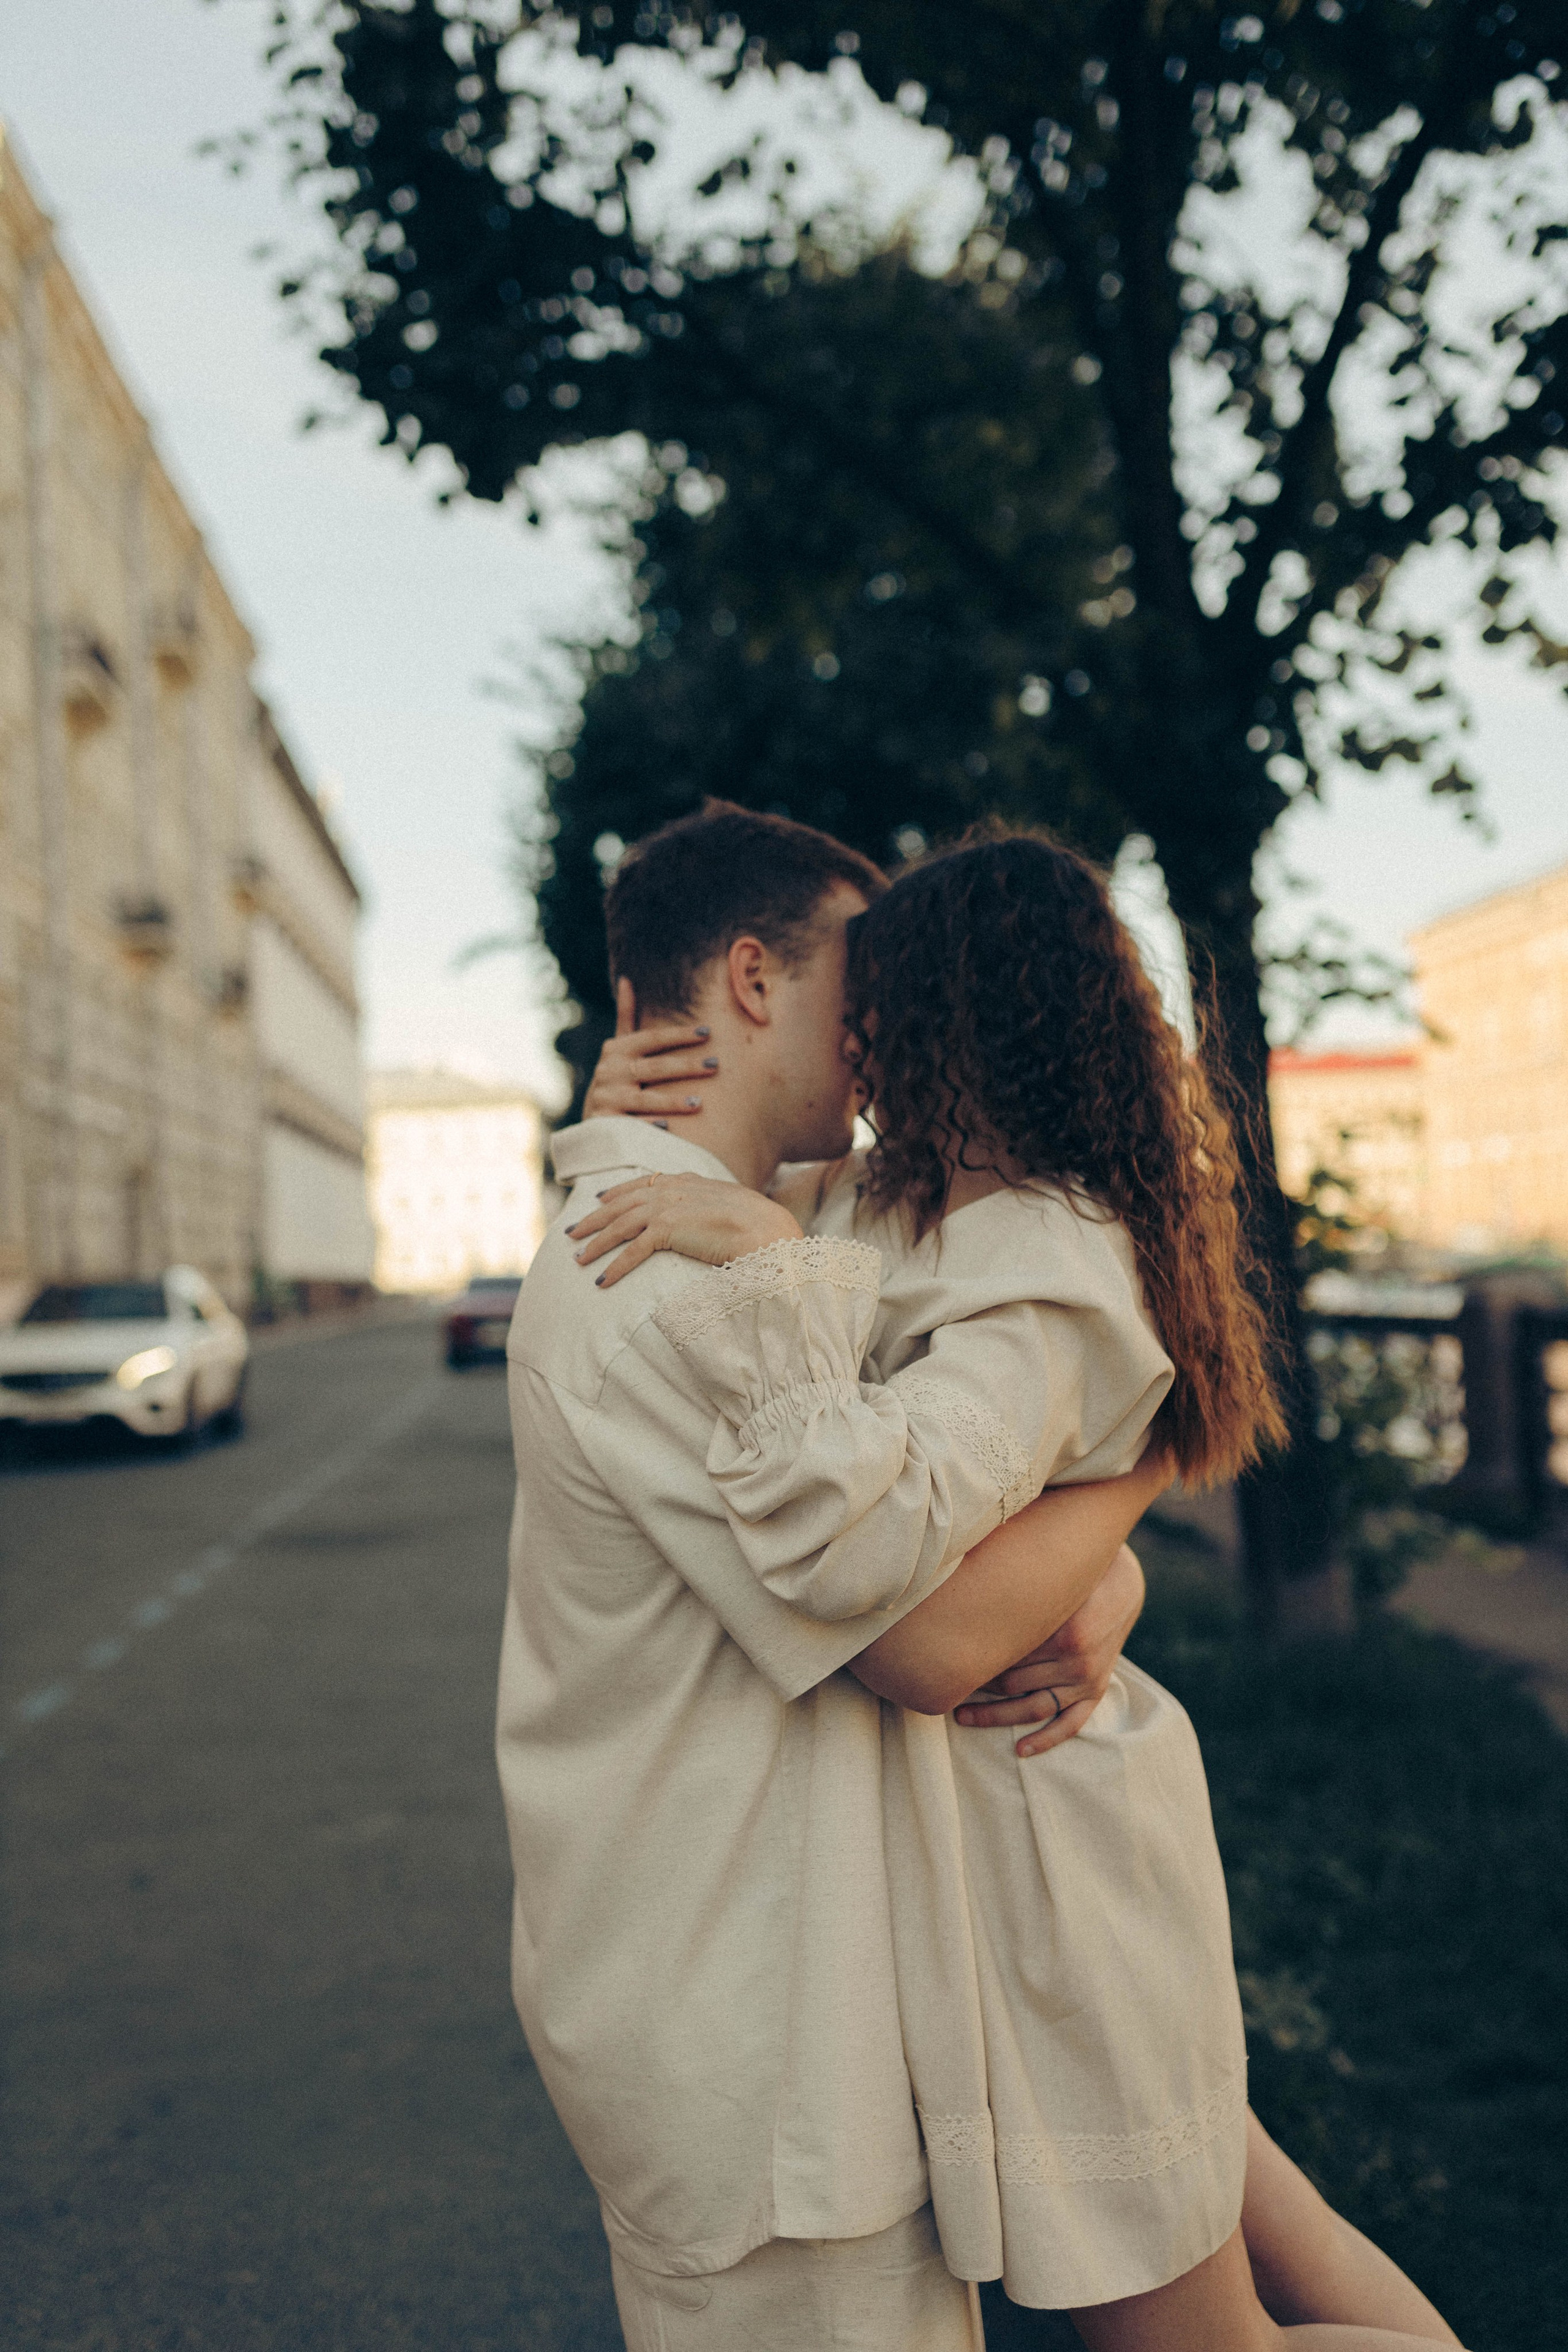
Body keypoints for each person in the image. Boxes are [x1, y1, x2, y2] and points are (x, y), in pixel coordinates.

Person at [570, 818, 1464, 2351]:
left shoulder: (1046, 1254)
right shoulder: (900, 1203)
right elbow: (777, 1204)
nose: (842, 1042)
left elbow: (888, 1583)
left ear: (946, 1023)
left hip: (1051, 1853)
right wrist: (643, 1107)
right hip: (976, 1850)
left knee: (1196, 2340)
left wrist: (765, 1255)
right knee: (1275, 2233)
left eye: (870, 1005)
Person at [496, 806, 1178, 2352]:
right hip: (762, 2052)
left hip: (789, 2017)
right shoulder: (667, 1276)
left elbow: (950, 1427)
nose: (885, 1032)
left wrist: (1104, 1557)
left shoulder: (752, 1233)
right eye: (855, 987)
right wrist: (1145, 1477)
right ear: (751, 980)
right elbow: (923, 1627)